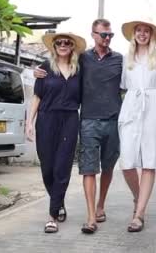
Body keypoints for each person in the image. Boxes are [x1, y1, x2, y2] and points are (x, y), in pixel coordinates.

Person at [34, 19, 123, 235]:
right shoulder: (65, 63)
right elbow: (45, 83)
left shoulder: (101, 62)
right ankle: (74, 209)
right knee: (67, 169)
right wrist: (37, 71)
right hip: (67, 120)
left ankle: (70, 212)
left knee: (86, 167)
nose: (63, 45)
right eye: (103, 35)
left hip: (93, 120)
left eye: (110, 35)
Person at [26, 32, 87, 234]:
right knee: (48, 168)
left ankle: (52, 216)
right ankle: (59, 202)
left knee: (62, 166)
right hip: (46, 118)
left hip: (69, 119)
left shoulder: (80, 69)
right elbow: (37, 96)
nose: (62, 45)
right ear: (54, 46)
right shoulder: (44, 68)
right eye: (59, 42)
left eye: (67, 43)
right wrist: (29, 122)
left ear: (72, 47)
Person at [118, 19, 156, 233]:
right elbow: (122, 85)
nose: (142, 34)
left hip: (155, 105)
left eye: (146, 31)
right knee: (127, 162)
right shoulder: (125, 58)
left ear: (151, 34)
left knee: (149, 161)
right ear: (133, 34)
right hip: (131, 104)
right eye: (138, 30)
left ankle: (139, 214)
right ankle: (139, 199)